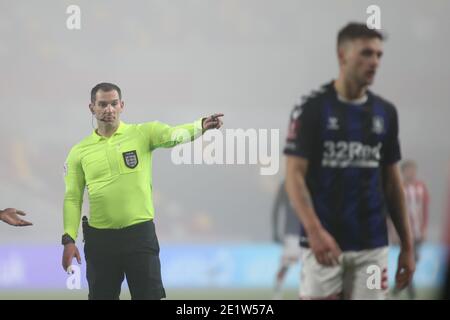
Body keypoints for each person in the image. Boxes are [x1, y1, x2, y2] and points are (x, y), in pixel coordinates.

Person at [284, 23, 415, 299]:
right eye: (366, 53)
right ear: (342, 55)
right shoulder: (311, 108)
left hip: (372, 247)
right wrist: (314, 231)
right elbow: (294, 176)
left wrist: (407, 246)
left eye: (379, 55)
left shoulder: (386, 113)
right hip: (323, 245)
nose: (375, 62)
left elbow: (392, 183)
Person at [61, 82, 223, 300]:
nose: (109, 109)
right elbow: (72, 197)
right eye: (102, 104)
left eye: (113, 103)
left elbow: (174, 135)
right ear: (92, 107)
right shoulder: (78, 152)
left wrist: (200, 125)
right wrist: (69, 239)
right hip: (100, 241)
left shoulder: (143, 133)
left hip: (139, 235)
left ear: (122, 105)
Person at [390, 160, 429, 298]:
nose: (411, 173)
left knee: (413, 261)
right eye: (408, 170)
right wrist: (393, 232)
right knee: (409, 260)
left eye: (413, 170)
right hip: (404, 232)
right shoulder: (399, 188)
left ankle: (398, 287)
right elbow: (393, 211)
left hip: (417, 233)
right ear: (403, 172)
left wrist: (424, 229)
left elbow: (425, 210)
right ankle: (410, 293)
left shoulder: (421, 187)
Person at [272, 180, 301, 299]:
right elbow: (277, 208)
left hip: (309, 232)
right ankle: (277, 294)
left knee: (312, 266)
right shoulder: (285, 185)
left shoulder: (310, 180)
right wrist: (275, 231)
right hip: (292, 233)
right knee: (285, 265)